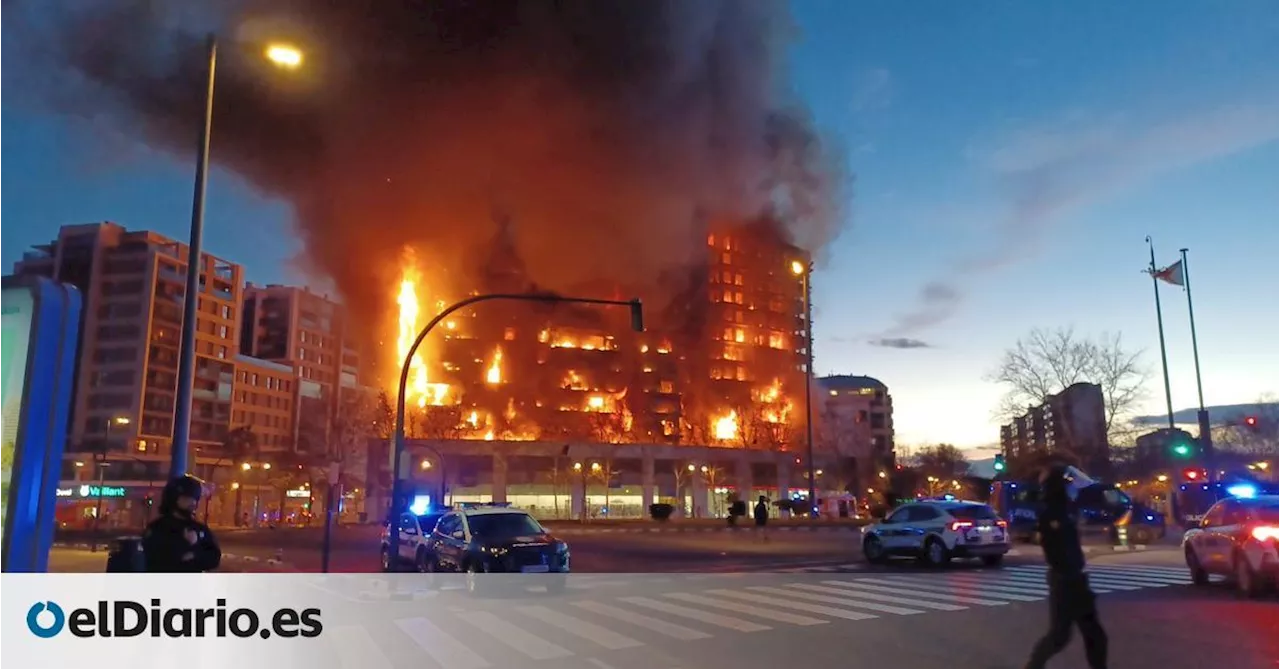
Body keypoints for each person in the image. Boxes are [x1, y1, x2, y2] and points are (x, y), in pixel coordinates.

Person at [1024, 463, 1108, 669]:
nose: (1072, 486)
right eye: (1068, 483)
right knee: (1060, 636)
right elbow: (1056, 549)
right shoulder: (1053, 512)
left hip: (1075, 578)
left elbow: (1090, 492)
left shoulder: (1065, 508)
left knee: (1093, 634)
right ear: (1059, 486)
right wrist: (1070, 575)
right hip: (1066, 580)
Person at [142, 474, 222, 573]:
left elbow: (214, 558)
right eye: (187, 498)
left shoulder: (199, 529)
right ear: (174, 498)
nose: (193, 502)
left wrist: (194, 552)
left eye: (195, 498)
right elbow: (152, 560)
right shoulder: (157, 528)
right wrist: (184, 547)